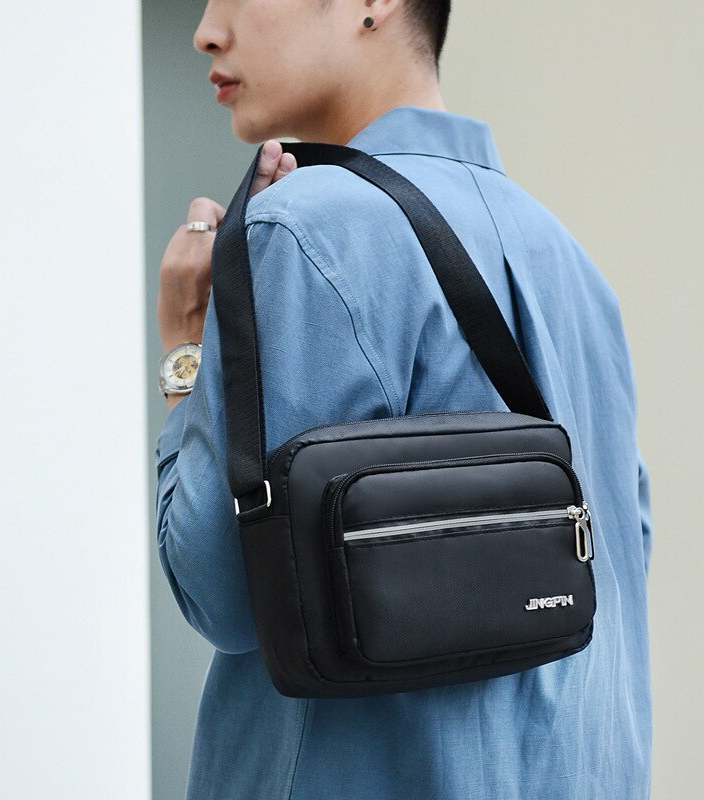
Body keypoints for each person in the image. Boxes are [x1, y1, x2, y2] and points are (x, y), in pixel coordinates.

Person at [154, 1, 654, 798]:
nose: (207, 29)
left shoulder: (302, 230)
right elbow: (620, 556)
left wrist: (186, 347)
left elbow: (222, 599)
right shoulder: (571, 261)